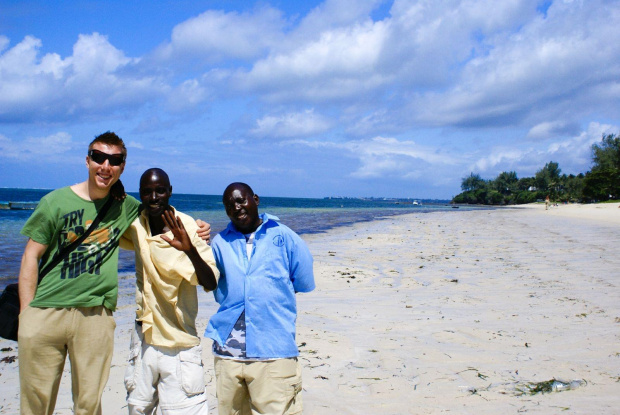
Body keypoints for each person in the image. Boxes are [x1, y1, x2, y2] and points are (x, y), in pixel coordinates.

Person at [16, 132, 210, 415]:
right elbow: (30, 256)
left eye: (114, 160)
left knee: (89, 404)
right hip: (45, 313)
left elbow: (158, 216)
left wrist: (197, 228)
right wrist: (27, 316)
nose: (105, 165)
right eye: (99, 157)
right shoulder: (54, 202)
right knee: (35, 404)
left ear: (121, 168)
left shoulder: (126, 207)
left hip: (95, 317)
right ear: (87, 160)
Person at [205, 182, 315, 415]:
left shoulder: (284, 236)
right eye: (229, 205)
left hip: (274, 352)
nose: (236, 207)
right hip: (227, 356)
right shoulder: (219, 243)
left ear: (255, 199)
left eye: (240, 200)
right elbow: (210, 282)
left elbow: (303, 280)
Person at [120, 168, 219, 415]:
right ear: (140, 195)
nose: (154, 197)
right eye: (147, 192)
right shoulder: (135, 225)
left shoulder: (188, 227)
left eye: (160, 191)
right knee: (137, 409)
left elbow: (211, 281)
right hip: (143, 339)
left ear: (170, 192)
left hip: (179, 342)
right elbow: (107, 214)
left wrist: (189, 249)